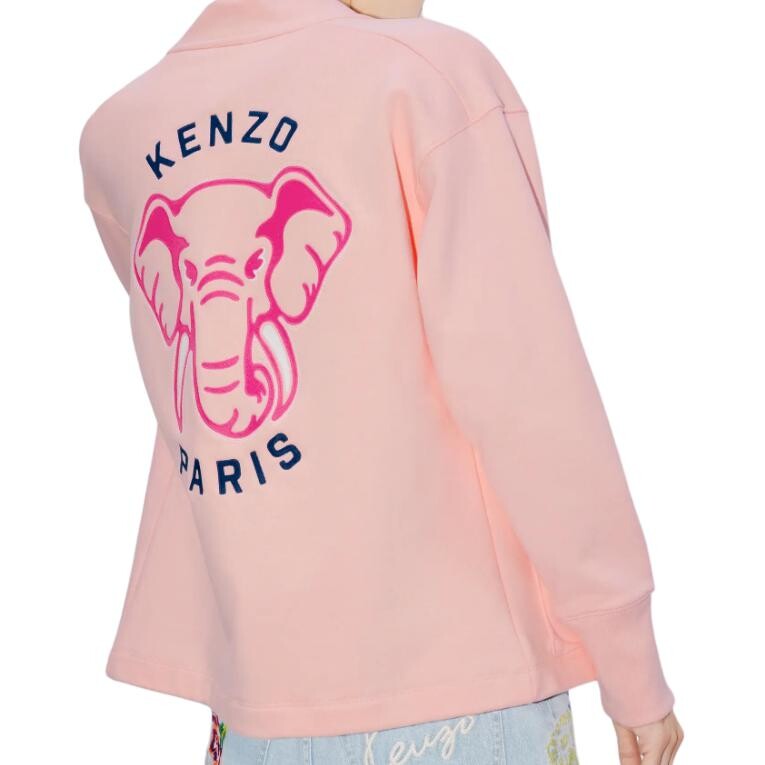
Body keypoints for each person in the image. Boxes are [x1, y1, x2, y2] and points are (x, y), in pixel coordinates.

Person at [79, 0, 683, 762]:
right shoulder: (424, 75)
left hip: (252, 708)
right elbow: (525, 384)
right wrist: (628, 657)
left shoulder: (121, 130)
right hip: (460, 692)